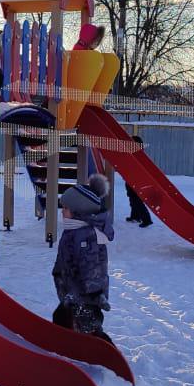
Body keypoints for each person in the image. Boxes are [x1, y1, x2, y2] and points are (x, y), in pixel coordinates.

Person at [51, 174, 115, 344]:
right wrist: (58, 272)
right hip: (72, 290)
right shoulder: (73, 230)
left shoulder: (86, 236)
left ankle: (105, 349)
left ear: (78, 213)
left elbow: (92, 267)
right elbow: (65, 257)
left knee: (89, 327)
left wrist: (93, 294)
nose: (62, 211)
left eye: (66, 208)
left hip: (86, 296)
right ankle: (66, 346)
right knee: (61, 318)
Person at [123, 136, 153, 227]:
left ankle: (147, 220)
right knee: (133, 199)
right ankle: (135, 216)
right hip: (131, 179)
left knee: (137, 200)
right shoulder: (133, 153)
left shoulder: (137, 155)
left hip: (136, 180)